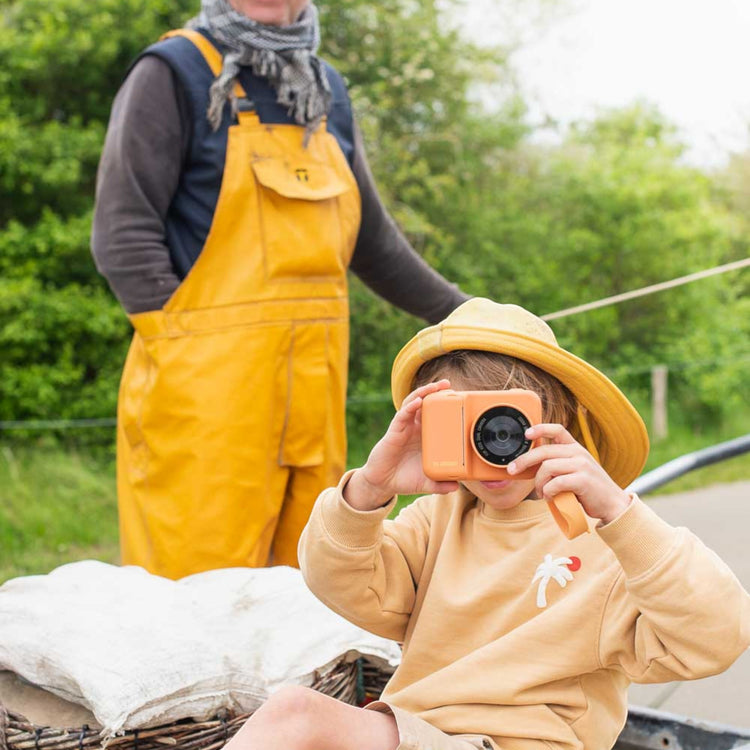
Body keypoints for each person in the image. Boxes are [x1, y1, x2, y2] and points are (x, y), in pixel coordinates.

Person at [223, 298, 750, 750]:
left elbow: (718, 635)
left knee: (296, 715)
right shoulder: (437, 521)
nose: (494, 450)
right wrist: (372, 487)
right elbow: (338, 581)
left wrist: (617, 511)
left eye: (508, 425)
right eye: (465, 428)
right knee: (295, 717)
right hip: (420, 731)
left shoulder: (609, 544)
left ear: (558, 417)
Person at [90, 0, 469, 579]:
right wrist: (184, 343)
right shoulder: (172, 73)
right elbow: (121, 235)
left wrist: (466, 313)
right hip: (203, 401)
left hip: (313, 400)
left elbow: (372, 242)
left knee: (310, 587)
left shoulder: (326, 90)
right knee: (195, 594)